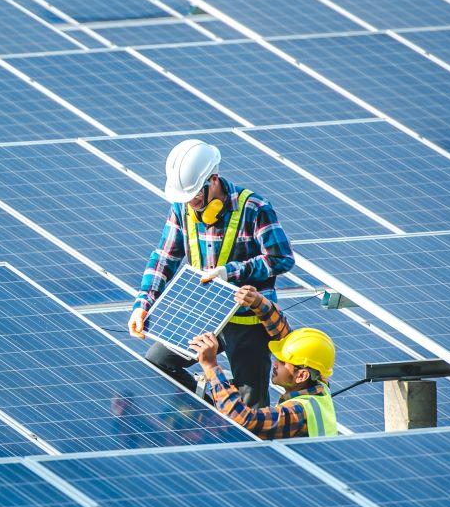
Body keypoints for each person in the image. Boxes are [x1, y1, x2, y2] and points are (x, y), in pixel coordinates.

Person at [128, 139, 295, 407]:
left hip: (247, 321)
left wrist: (230, 272)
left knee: (251, 405)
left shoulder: (254, 208)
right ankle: (215, 414)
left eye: (195, 195)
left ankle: (239, 425)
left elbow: (281, 259)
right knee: (159, 362)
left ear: (213, 179)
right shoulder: (182, 209)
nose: (192, 204)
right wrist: (142, 305)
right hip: (202, 313)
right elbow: (164, 258)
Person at [189, 285, 337, 439]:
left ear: (301, 375)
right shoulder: (318, 381)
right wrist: (259, 302)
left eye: (282, 361)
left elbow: (243, 420)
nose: (274, 363)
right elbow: (286, 337)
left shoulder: (298, 412)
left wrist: (210, 366)